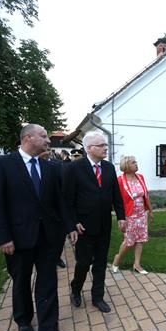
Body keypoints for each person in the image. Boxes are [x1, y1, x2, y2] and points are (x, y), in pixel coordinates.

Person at [0, 124, 77, 331]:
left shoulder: (51, 167)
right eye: (44, 136)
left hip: (48, 237)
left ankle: (48, 326)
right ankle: (23, 320)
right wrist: (2, 237)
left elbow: (60, 202)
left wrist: (70, 226)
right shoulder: (2, 165)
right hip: (17, 238)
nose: (48, 140)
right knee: (21, 281)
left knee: (48, 281)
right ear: (28, 137)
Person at [63, 132, 126, 313]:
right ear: (89, 148)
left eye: (105, 145)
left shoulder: (108, 168)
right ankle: (76, 289)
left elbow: (116, 195)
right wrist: (73, 222)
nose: (105, 147)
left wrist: (121, 216)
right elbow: (67, 200)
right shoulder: (74, 169)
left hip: (104, 225)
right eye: (101, 145)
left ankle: (97, 297)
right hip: (84, 227)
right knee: (83, 263)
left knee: (100, 263)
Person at [112, 155, 154, 275]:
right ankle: (117, 259)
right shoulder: (120, 180)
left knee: (140, 239)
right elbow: (117, 200)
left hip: (141, 214)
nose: (136, 164)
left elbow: (146, 195)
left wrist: (150, 211)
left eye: (136, 162)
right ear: (126, 166)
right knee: (128, 241)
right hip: (128, 215)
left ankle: (137, 264)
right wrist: (121, 217)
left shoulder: (140, 177)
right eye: (133, 162)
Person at [39, 149, 67, 269]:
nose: (48, 150)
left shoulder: (57, 165)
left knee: (59, 238)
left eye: (49, 148)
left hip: (56, 211)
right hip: (38, 212)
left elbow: (63, 187)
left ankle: (56, 257)